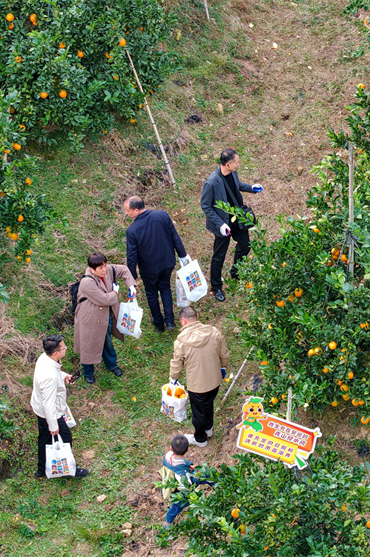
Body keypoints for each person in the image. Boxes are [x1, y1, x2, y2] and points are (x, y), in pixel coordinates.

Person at [200, 148, 263, 302]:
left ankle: (236, 272)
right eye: (236, 162)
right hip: (224, 224)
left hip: (238, 219)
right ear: (227, 165)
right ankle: (216, 286)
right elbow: (205, 206)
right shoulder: (212, 182)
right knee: (219, 256)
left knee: (245, 245)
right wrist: (220, 224)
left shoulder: (232, 173)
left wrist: (251, 188)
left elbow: (237, 185)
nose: (238, 164)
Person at [124, 195, 190, 333]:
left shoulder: (132, 230)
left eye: (127, 210)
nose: (126, 213)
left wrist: (132, 276)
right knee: (165, 288)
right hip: (167, 262)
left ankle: (159, 323)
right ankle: (170, 320)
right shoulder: (162, 215)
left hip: (149, 268)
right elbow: (174, 236)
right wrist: (182, 255)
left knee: (152, 293)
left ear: (136, 210)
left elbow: (132, 256)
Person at [169, 306, 229, 447]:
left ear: (183, 321)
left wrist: (173, 378)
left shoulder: (181, 342)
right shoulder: (214, 332)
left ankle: (200, 438)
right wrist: (223, 367)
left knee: (198, 412)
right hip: (215, 379)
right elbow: (224, 354)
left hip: (197, 385)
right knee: (209, 403)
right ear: (196, 316)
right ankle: (209, 429)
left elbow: (177, 363)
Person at [73, 252, 137, 384]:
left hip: (104, 315)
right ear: (92, 269)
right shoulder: (86, 282)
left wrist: (131, 285)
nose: (104, 270)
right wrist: (115, 292)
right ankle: (88, 372)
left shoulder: (107, 271)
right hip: (89, 317)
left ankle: (112, 365)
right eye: (100, 268)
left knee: (106, 340)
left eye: (105, 265)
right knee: (88, 344)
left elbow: (124, 269)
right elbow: (104, 299)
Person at [30, 335, 89, 478]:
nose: (66, 349)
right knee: (66, 438)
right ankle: (70, 469)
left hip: (38, 408)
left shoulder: (45, 358)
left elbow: (54, 372)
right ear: (56, 353)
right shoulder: (49, 377)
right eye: (63, 347)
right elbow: (48, 404)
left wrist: (63, 376)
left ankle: (42, 469)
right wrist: (53, 426)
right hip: (50, 413)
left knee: (44, 438)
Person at [161, 434, 213, 528]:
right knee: (176, 508)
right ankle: (217, 485)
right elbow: (187, 486)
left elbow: (181, 463)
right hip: (180, 493)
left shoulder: (168, 455)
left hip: (172, 480)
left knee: (174, 509)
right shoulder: (183, 475)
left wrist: (188, 465)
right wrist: (195, 480)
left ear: (171, 448)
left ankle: (167, 524)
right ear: (188, 450)